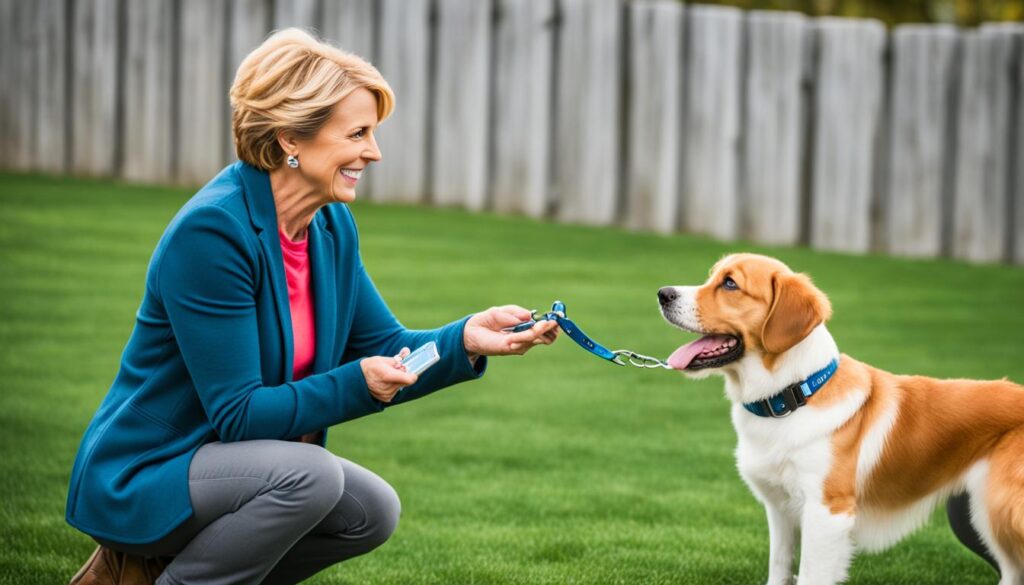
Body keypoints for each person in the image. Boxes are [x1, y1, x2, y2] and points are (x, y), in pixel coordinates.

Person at [65, 28, 559, 585]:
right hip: (150, 471)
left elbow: (381, 347)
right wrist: (358, 384)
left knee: (370, 511)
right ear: (291, 139)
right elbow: (238, 415)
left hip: (236, 470)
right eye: (358, 133)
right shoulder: (213, 233)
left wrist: (468, 336)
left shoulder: (328, 225)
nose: (373, 152)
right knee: (312, 478)